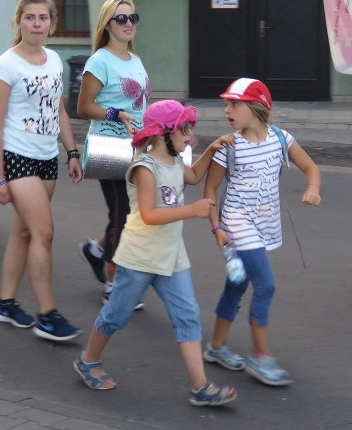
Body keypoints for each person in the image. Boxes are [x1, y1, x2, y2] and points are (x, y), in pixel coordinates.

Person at [73, 100, 238, 407]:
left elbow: (193, 177)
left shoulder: (175, 161)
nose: (190, 136)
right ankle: (88, 360)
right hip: (140, 258)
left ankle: (200, 387)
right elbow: (149, 214)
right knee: (115, 317)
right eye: (184, 130)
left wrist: (213, 149)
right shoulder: (144, 168)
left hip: (172, 256)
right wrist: (192, 210)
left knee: (188, 316)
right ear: (163, 134)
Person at [202, 78, 321, 386]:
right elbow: (210, 191)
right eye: (226, 104)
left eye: (234, 104)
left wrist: (313, 188)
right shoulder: (228, 146)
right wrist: (216, 227)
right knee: (265, 285)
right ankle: (260, 356)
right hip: (237, 224)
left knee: (237, 285)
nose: (227, 109)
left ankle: (215, 347)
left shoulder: (281, 138)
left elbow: (311, 168)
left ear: (256, 108)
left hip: (265, 222)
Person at [0, 0, 84, 341]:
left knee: (24, 232)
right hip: (17, 157)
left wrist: (72, 153)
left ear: (52, 23)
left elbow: (57, 110)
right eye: (30, 17)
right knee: (44, 233)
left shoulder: (54, 60)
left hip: (47, 158)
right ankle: (47, 314)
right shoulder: (5, 66)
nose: (37, 24)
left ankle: (6, 302)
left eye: (43, 18)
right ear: (19, 21)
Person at [76, 0, 151, 306]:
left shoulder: (134, 59)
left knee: (133, 212)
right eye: (121, 19)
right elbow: (82, 107)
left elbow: (142, 104)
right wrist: (115, 114)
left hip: (138, 146)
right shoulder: (100, 61)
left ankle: (96, 249)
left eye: (132, 16)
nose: (129, 23)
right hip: (110, 147)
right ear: (107, 24)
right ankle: (114, 282)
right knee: (122, 212)